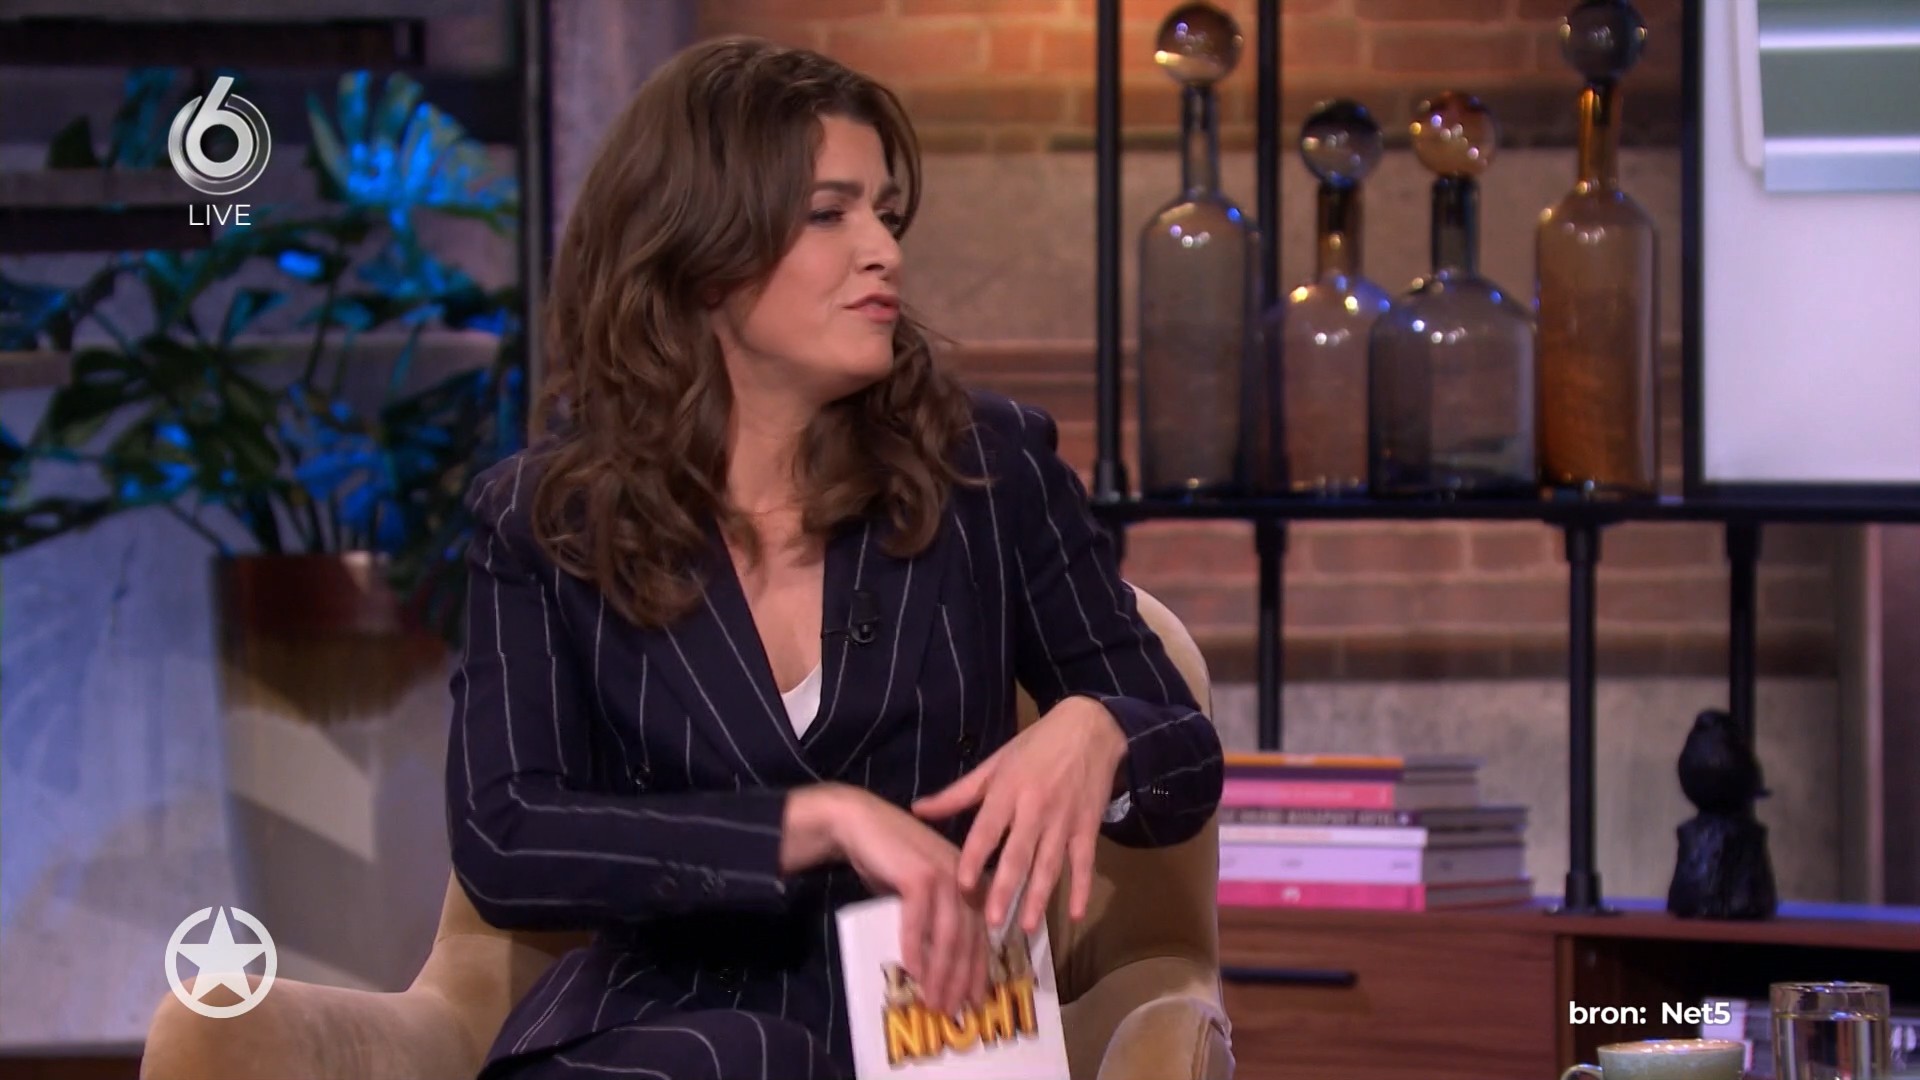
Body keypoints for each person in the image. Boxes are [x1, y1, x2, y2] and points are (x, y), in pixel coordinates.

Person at [445, 34, 1224, 1080]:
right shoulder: (547, 520)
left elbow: (1185, 758)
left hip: (938, 1033)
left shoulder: (986, 472)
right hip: (659, 1042)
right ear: (702, 249)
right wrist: (813, 821)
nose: (883, 251)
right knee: (740, 1054)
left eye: (886, 214)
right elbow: (506, 837)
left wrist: (1102, 729)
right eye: (829, 214)